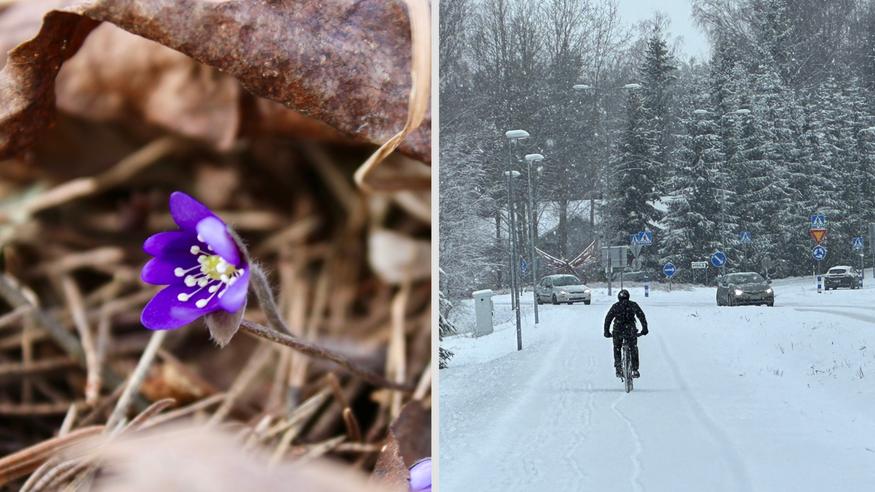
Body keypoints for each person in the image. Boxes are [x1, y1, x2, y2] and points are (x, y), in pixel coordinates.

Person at [603, 289, 648, 378]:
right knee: (633, 348)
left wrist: (606, 332)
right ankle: (635, 369)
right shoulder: (633, 305)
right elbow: (641, 316)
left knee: (617, 348)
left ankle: (618, 368)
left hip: (618, 330)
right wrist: (644, 329)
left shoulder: (615, 306)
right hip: (630, 330)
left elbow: (608, 319)